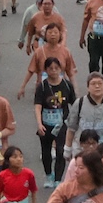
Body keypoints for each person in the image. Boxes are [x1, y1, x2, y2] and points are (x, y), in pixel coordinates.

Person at [31, 57, 77, 187]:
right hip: (46, 124)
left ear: (61, 69)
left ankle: (58, 179)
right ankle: (48, 176)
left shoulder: (67, 85)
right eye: (50, 69)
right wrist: (39, 123)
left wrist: (74, 123)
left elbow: (74, 104)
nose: (54, 71)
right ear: (46, 70)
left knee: (61, 150)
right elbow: (38, 105)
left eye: (56, 68)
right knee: (46, 151)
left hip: (63, 124)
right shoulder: (43, 86)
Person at [22, 22, 78, 98]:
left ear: (60, 35)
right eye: (50, 32)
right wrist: (23, 86)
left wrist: (75, 91)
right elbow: (31, 70)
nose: (53, 35)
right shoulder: (39, 52)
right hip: (43, 89)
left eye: (55, 32)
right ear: (45, 35)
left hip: (61, 89)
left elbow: (70, 73)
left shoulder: (66, 52)